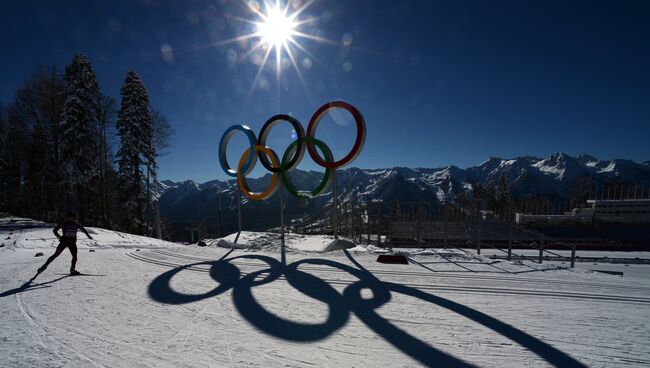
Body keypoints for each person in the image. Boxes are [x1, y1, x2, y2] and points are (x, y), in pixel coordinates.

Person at [35, 212, 93, 277]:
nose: (72, 219)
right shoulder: (64, 223)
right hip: (64, 242)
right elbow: (55, 230)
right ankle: (44, 266)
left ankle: (72, 270)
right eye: (71, 218)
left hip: (72, 242)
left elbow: (83, 229)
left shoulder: (77, 223)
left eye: (73, 218)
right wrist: (59, 237)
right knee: (56, 255)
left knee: (75, 256)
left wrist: (88, 235)